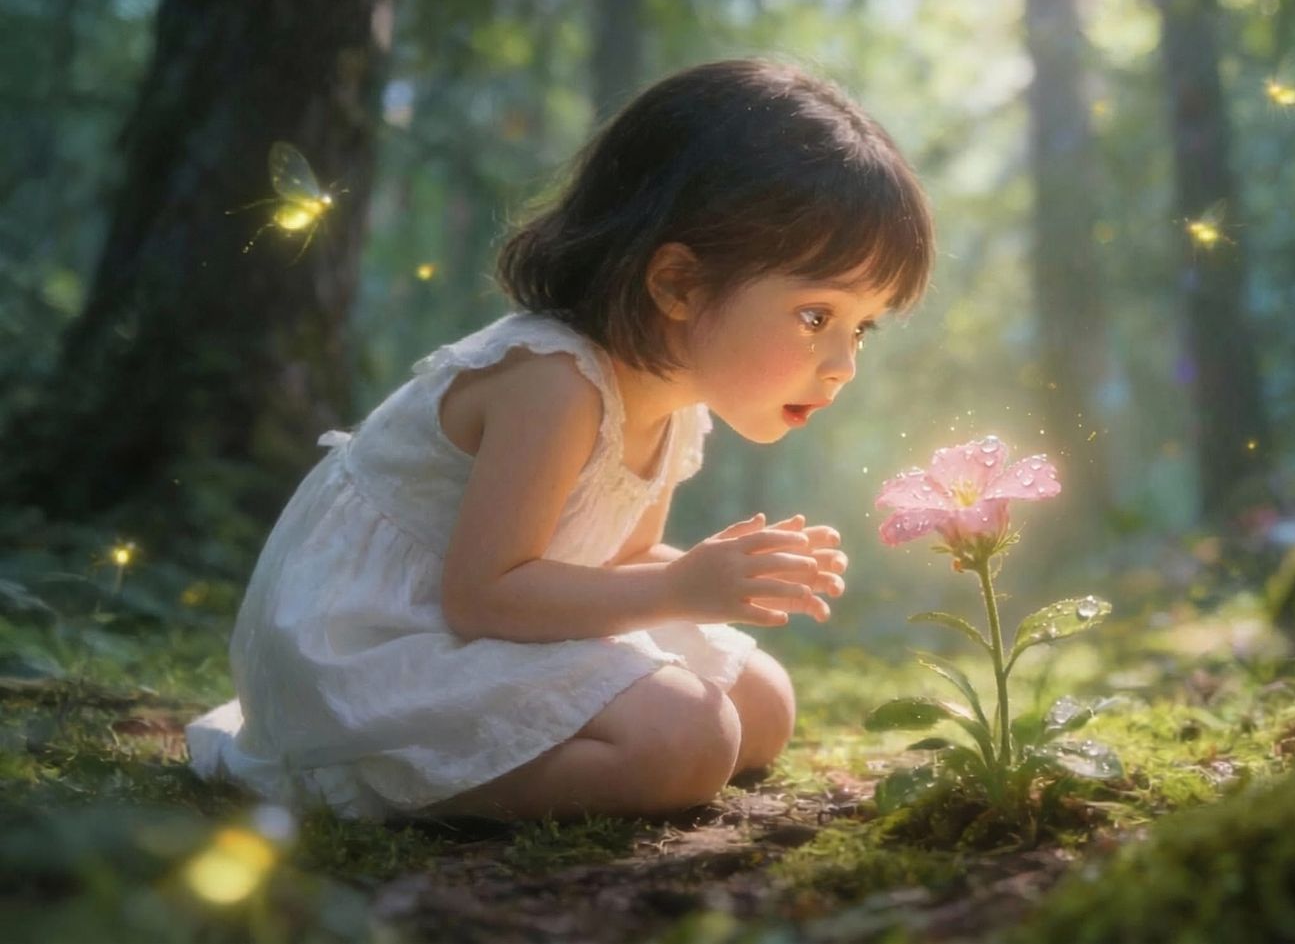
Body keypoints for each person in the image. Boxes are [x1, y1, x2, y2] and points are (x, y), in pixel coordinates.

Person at [185, 59, 935, 821]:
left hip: (498, 621)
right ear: (678, 283)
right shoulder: (554, 380)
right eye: (816, 316)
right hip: (381, 638)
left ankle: (544, 757)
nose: (843, 366)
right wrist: (682, 591)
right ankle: (364, 778)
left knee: (765, 704)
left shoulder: (674, 400)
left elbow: (614, 561)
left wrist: (726, 575)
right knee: (691, 738)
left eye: (862, 327)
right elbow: (483, 594)